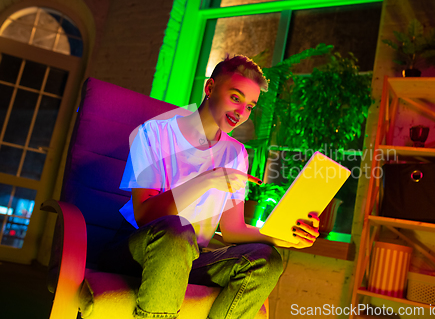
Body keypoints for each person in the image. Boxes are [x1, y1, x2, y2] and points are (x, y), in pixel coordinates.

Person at [102, 55, 320, 319]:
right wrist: (207, 180)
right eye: (236, 98)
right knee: (175, 230)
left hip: (190, 256)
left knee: (266, 260)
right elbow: (145, 215)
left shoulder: (236, 154)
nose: (241, 113)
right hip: (138, 249)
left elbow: (233, 230)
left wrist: (283, 236)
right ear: (210, 88)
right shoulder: (154, 134)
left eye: (250, 106)